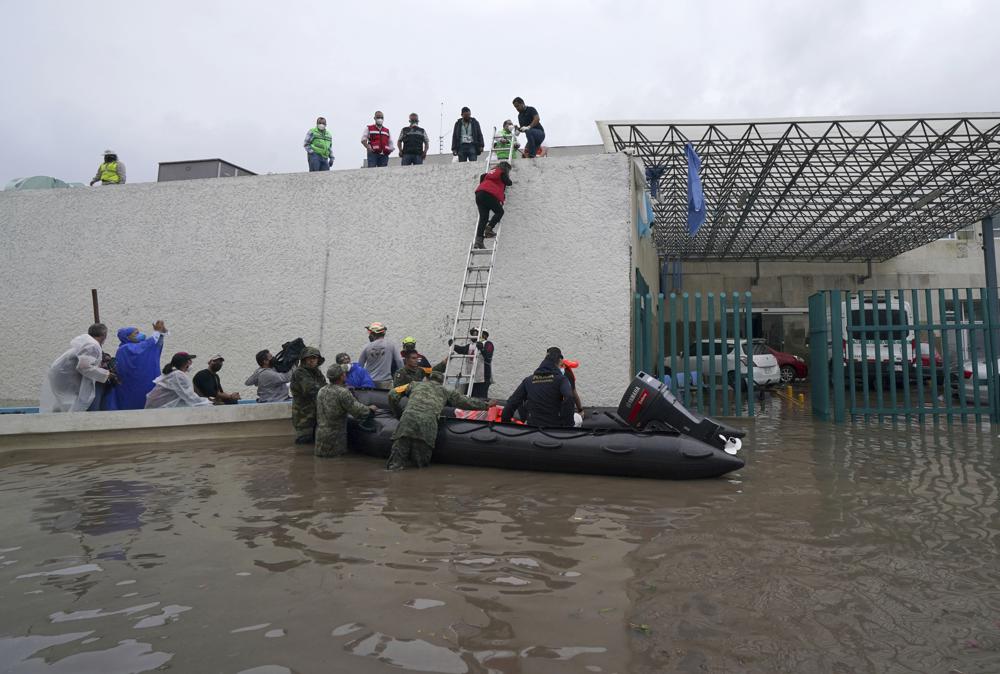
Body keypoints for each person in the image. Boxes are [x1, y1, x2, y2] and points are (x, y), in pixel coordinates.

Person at [386, 370, 492, 470]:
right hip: (427, 427)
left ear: (428, 379)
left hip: (406, 422)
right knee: (419, 466)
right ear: (441, 382)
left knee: (395, 466)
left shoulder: (414, 384)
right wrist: (486, 406)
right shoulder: (446, 391)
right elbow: (465, 402)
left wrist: (398, 413)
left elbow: (392, 394)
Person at [40, 323, 116, 413]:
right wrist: (107, 374)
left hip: (62, 373)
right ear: (104, 335)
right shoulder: (92, 345)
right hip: (65, 376)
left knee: (66, 401)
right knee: (71, 402)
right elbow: (84, 367)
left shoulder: (88, 341)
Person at [314, 363, 378, 458]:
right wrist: (370, 409)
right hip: (335, 440)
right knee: (337, 467)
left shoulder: (321, 390)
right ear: (342, 376)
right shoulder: (343, 392)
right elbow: (357, 410)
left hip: (320, 438)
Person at [501, 347, 575, 427]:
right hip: (554, 430)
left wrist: (505, 423)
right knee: (578, 418)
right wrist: (568, 425)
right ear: (559, 361)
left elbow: (512, 403)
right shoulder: (561, 379)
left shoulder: (529, 380)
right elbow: (569, 397)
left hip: (533, 428)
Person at [104, 321, 168, 411]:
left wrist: (161, 333)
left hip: (144, 383)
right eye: (136, 333)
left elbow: (154, 345)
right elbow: (146, 347)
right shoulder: (124, 349)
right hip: (130, 387)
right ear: (127, 337)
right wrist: (157, 333)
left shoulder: (138, 346)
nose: (140, 334)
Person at [144, 353, 212, 409]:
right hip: (158, 410)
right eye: (190, 360)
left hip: (155, 409)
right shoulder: (178, 375)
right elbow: (189, 396)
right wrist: (208, 403)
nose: (191, 363)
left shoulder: (173, 374)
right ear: (186, 363)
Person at [290, 346, 326, 444]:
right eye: (308, 358)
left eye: (314, 358)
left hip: (316, 414)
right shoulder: (300, 372)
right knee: (304, 442)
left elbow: (324, 386)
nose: (311, 361)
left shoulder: (317, 372)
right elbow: (310, 389)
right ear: (304, 360)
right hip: (303, 415)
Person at [473, 161, 513, 249]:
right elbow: (509, 183)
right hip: (488, 194)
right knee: (500, 212)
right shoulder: (502, 173)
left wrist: (483, 185)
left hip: (479, 193)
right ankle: (489, 228)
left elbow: (482, 176)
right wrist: (507, 176)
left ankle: (478, 241)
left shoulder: (490, 173)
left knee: (483, 218)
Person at [358, 322, 402, 390]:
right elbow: (399, 361)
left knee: (370, 400)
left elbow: (360, 366)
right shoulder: (391, 345)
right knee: (386, 400)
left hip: (369, 382)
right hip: (385, 382)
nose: (369, 335)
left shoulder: (366, 347)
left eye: (370, 332)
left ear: (374, 333)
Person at [451, 327, 492, 398]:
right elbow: (461, 350)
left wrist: (482, 348)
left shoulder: (488, 344)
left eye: (475, 333)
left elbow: (488, 356)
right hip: (470, 378)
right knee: (468, 398)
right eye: (472, 333)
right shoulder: (470, 346)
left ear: (483, 335)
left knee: (480, 399)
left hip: (482, 379)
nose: (473, 335)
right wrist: (453, 346)